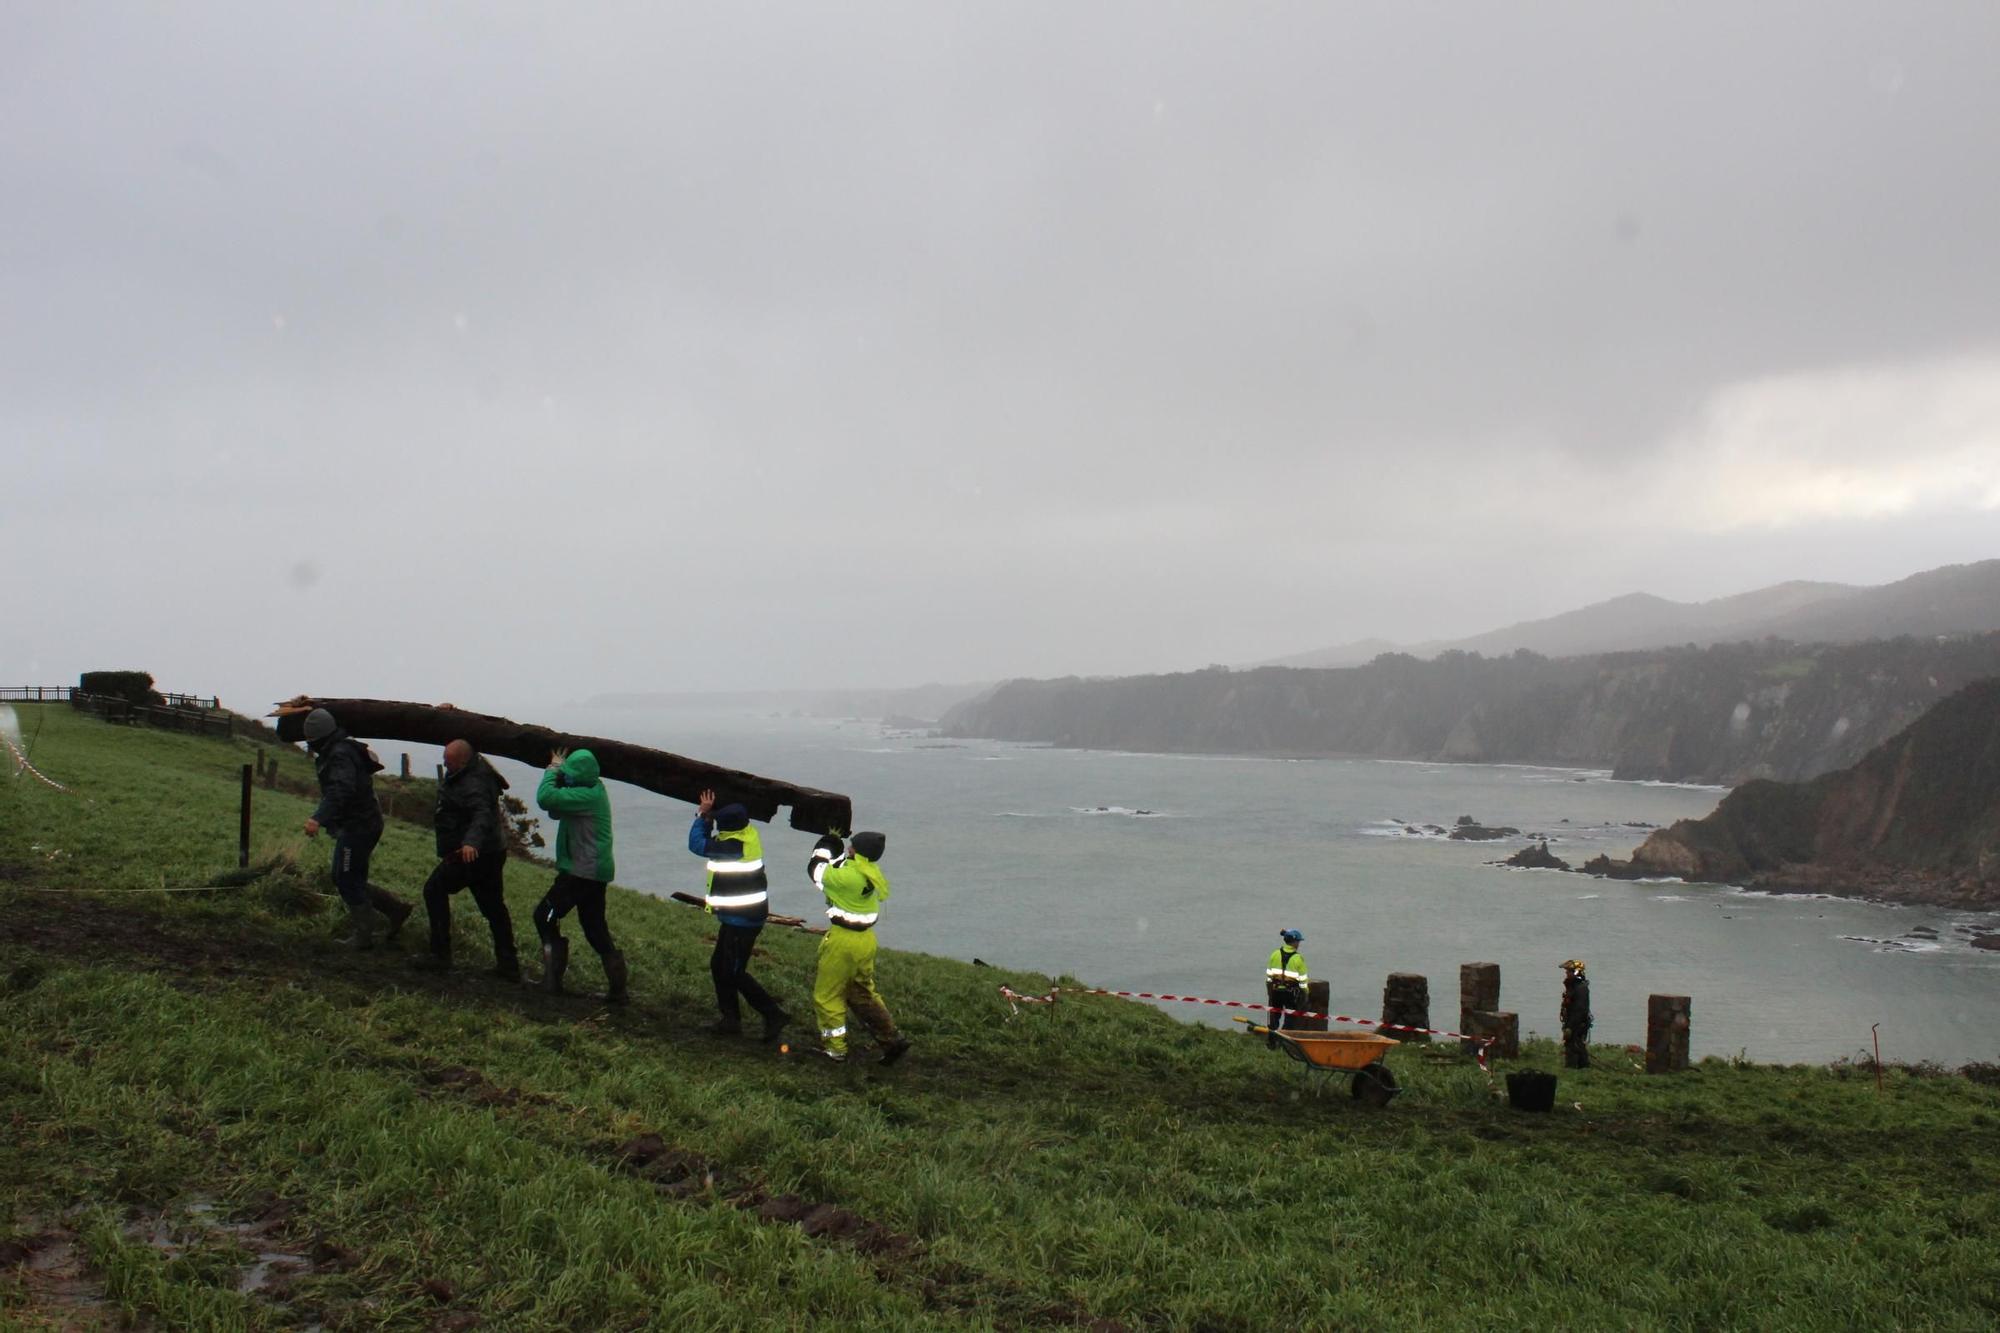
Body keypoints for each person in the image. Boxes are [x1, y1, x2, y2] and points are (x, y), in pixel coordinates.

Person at [301, 707, 412, 949]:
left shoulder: (339, 754)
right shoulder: (340, 748)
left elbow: (341, 790)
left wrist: (318, 818)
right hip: (360, 823)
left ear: (319, 739)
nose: (310, 746)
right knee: (343, 876)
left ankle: (364, 936)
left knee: (347, 878)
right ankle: (395, 909)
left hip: (360, 826)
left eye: (311, 741)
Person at [689, 789, 790, 1041]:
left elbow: (697, 844)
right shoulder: (749, 835)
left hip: (743, 920)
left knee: (734, 971)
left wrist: (703, 816)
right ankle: (730, 1019)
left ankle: (773, 1014)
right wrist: (715, 811)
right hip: (739, 917)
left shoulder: (732, 846)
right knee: (719, 966)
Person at [415, 740, 520, 980]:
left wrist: (471, 842)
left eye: (448, 760)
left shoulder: (474, 783)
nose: (443, 762)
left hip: (473, 854)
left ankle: (439, 955)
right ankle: (508, 964)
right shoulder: (471, 768)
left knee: (434, 890)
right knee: (493, 907)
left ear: (462, 761)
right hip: (491, 851)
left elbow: (482, 813)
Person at [805, 830, 909, 1065]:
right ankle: (891, 1039)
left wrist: (825, 844)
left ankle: (835, 1050)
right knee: (863, 993)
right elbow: (842, 866)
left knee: (828, 996)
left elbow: (816, 870)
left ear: (857, 852)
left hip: (844, 942)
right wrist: (837, 850)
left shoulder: (847, 877)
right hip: (866, 941)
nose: (848, 849)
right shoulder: (870, 872)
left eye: (851, 846)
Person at [532, 747, 626, 1002]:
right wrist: (562, 777)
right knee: (594, 928)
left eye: (570, 773)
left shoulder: (587, 796)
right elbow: (556, 810)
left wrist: (552, 769)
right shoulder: (595, 790)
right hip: (593, 871)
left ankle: (552, 979)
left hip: (581, 872)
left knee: (545, 915)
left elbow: (546, 799)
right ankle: (618, 991)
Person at [1264, 928, 1309, 1049]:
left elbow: (1269, 975)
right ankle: (1283, 1042)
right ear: (1294, 942)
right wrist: (1305, 994)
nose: (1299, 944)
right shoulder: (1298, 958)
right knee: (1290, 1019)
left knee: (1274, 1018)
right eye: (1298, 941)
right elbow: (1303, 980)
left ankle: (1272, 1043)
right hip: (1291, 994)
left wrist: (1269, 991)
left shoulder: (1275, 954)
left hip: (1275, 992)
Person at [1560, 959, 1592, 1068]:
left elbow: (1580, 1010)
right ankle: (1582, 1067)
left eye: (1569, 971)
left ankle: (1574, 1068)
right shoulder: (1573, 987)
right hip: (1573, 1022)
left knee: (1574, 1046)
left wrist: (1570, 1027)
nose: (1566, 973)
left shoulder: (1580, 989)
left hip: (1577, 1024)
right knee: (1574, 1045)